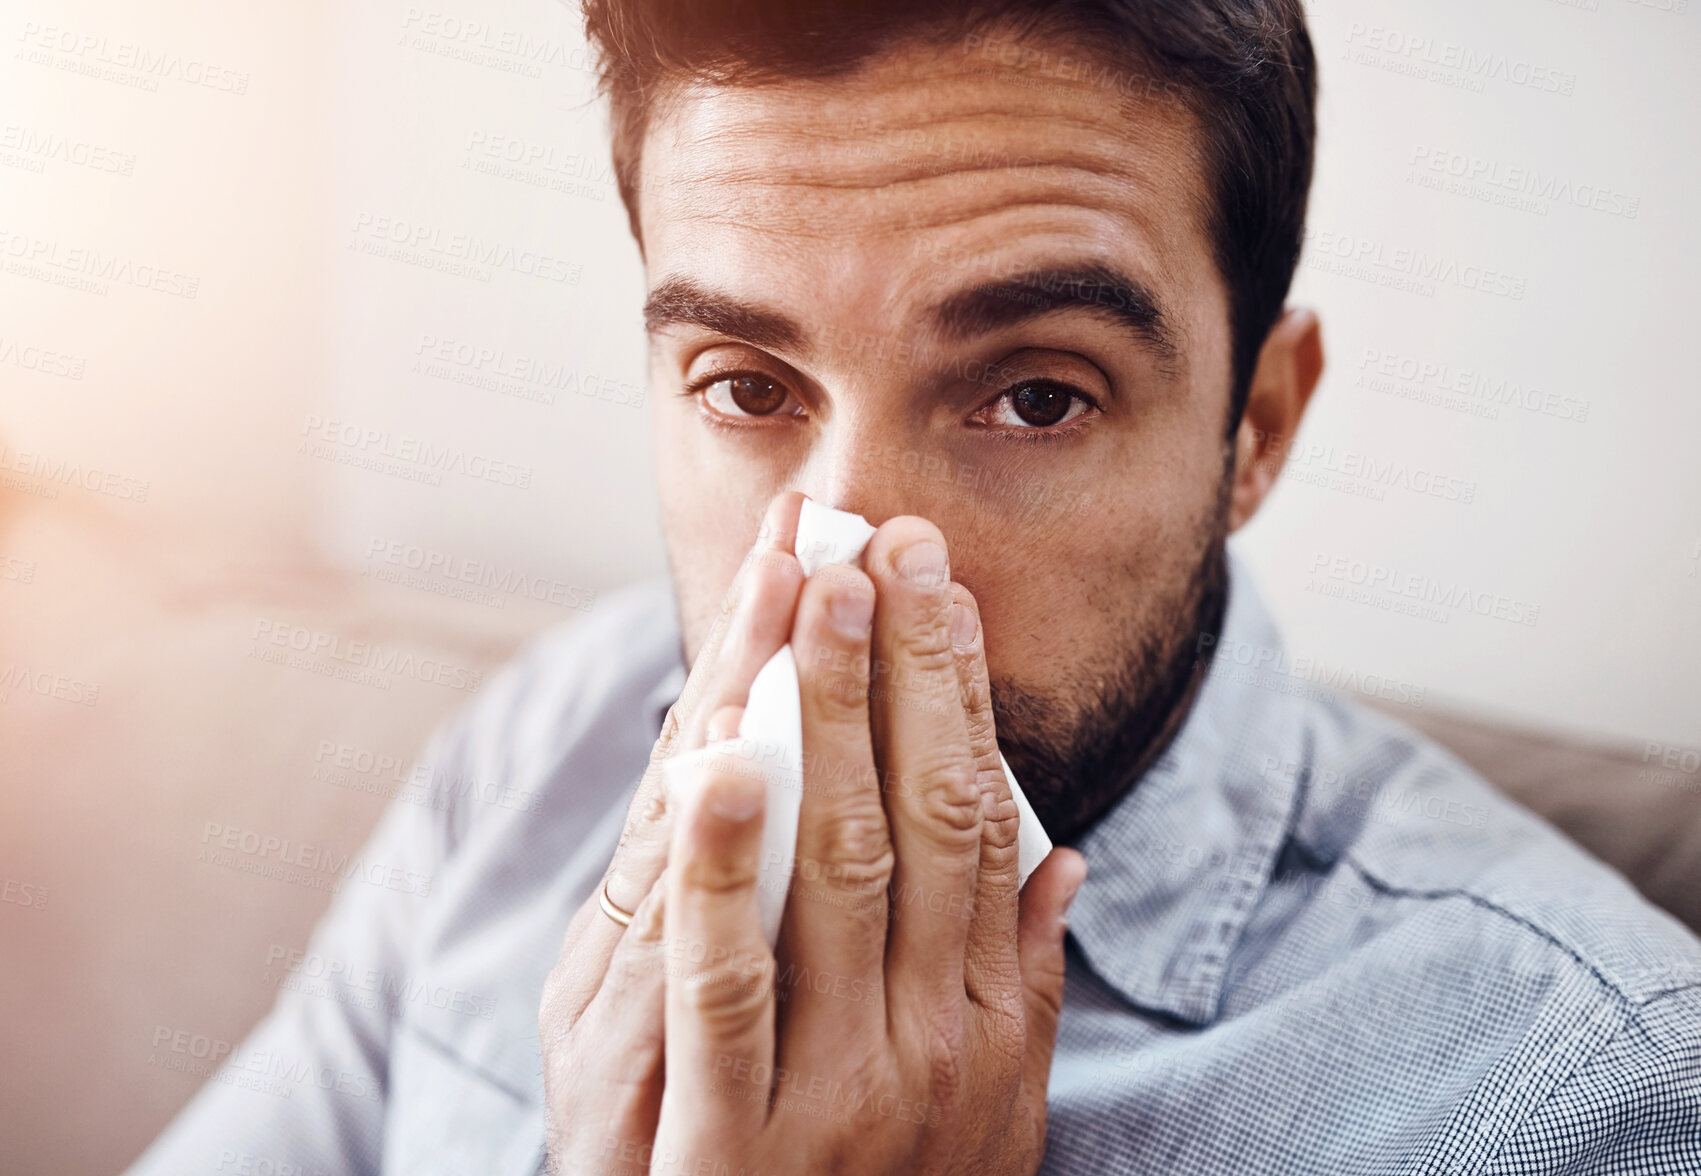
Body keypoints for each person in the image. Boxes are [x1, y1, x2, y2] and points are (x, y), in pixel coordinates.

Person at [125, 2, 1701, 1173]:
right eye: (746, 388)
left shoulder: (1592, 1097)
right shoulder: (544, 745)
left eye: (1033, 396)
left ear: (1255, 429)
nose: (850, 570)